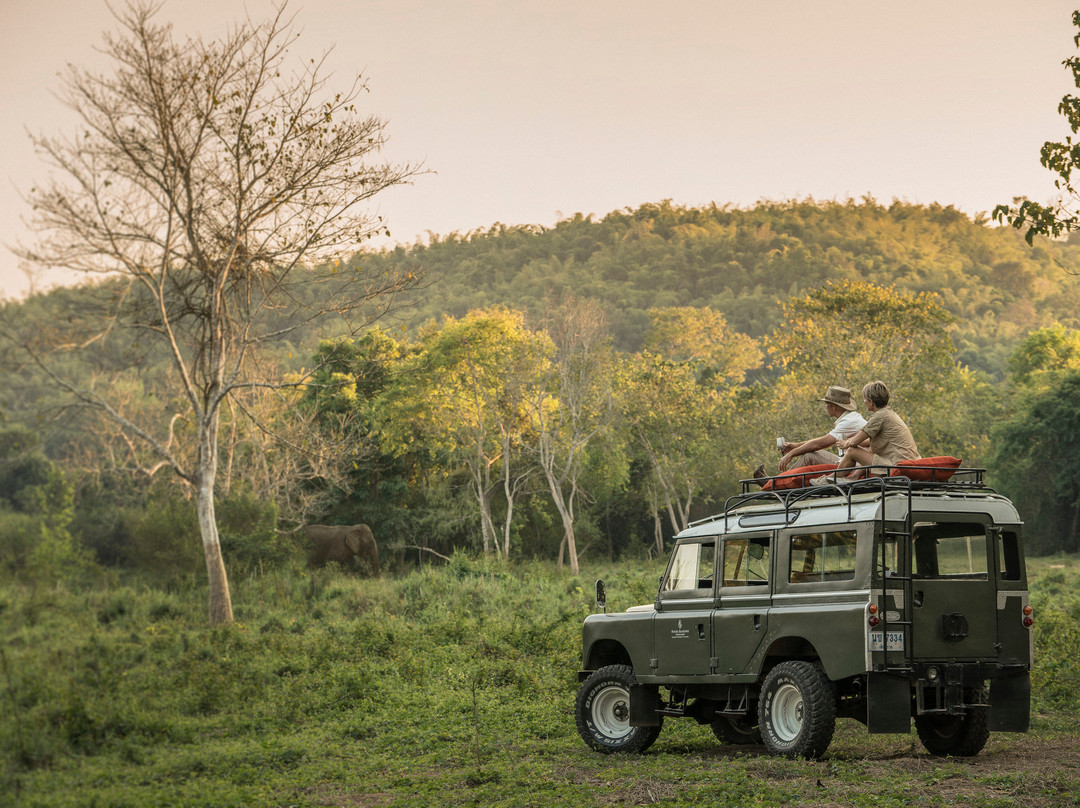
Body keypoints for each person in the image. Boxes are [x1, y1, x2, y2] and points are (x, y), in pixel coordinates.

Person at [811, 380, 920, 484]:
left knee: (852, 451)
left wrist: (844, 443)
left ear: (871, 402)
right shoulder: (889, 413)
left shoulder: (879, 416)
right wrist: (850, 441)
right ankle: (854, 477)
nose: (864, 402)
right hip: (903, 461)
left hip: (895, 464)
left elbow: (854, 442)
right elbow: (867, 441)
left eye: (865, 399)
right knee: (871, 448)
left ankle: (830, 479)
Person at [752, 385, 867, 481]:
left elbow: (820, 443)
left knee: (809, 457)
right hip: (846, 461)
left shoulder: (848, 422)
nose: (826, 406)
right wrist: (795, 446)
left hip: (851, 465)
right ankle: (776, 481)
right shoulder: (850, 418)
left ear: (834, 406)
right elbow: (821, 441)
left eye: (827, 403)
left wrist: (791, 454)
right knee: (811, 454)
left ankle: (775, 483)